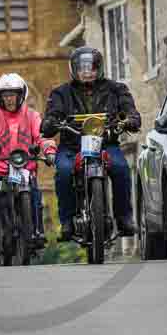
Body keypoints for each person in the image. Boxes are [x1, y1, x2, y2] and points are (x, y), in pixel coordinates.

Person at [41, 46, 140, 241]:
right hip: (71, 146)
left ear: (99, 69)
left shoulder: (117, 89)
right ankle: (67, 222)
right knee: (63, 172)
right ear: (74, 70)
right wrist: (50, 122)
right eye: (82, 68)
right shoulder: (60, 93)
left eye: (92, 68)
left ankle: (124, 218)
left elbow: (130, 110)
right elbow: (51, 116)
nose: (87, 73)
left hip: (106, 144)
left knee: (121, 168)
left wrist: (130, 118)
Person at [0, 73, 57, 252]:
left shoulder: (32, 116)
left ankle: (37, 232)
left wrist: (49, 151)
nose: (9, 99)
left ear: (21, 95)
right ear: (0, 98)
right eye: (5, 95)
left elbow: (43, 136)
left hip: (24, 168)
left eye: (12, 95)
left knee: (35, 195)